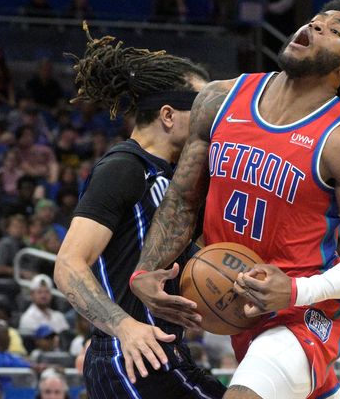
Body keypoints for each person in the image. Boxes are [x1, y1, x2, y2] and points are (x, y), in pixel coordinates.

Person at [131, 0, 340, 399]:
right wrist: (146, 270)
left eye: (335, 31)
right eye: (316, 20)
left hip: (304, 311)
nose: (317, 26)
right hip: (236, 304)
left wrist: (298, 291)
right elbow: (182, 200)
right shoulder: (219, 99)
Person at [53, 23, 225, 398]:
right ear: (168, 115)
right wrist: (124, 327)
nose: (212, 121)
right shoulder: (124, 167)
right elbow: (68, 264)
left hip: (163, 353)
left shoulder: (180, 179)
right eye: (201, 110)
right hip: (130, 357)